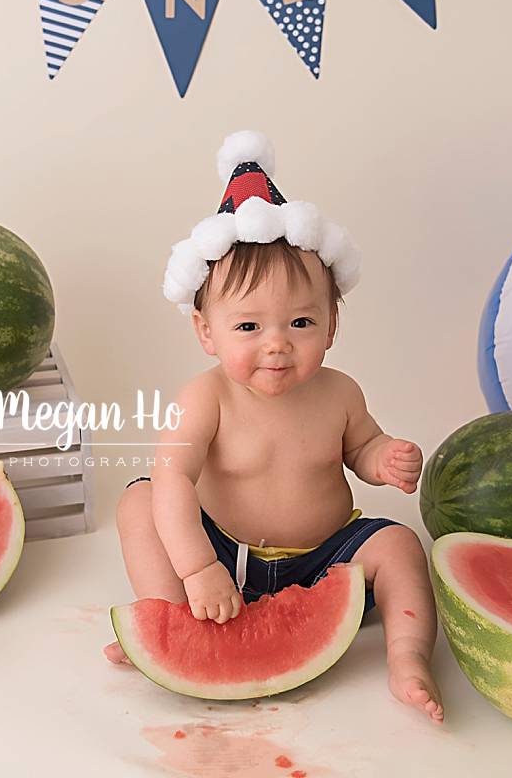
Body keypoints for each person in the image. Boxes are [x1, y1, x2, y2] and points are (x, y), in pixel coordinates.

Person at [103, 132, 443, 724]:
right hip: (221, 556)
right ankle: (161, 621)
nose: (277, 344)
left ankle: (408, 657)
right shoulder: (204, 398)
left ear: (333, 325)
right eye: (248, 327)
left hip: (325, 561)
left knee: (400, 545)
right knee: (140, 501)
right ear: (206, 332)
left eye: (301, 320)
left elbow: (359, 445)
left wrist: (382, 457)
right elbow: (176, 481)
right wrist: (198, 568)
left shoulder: (339, 392)